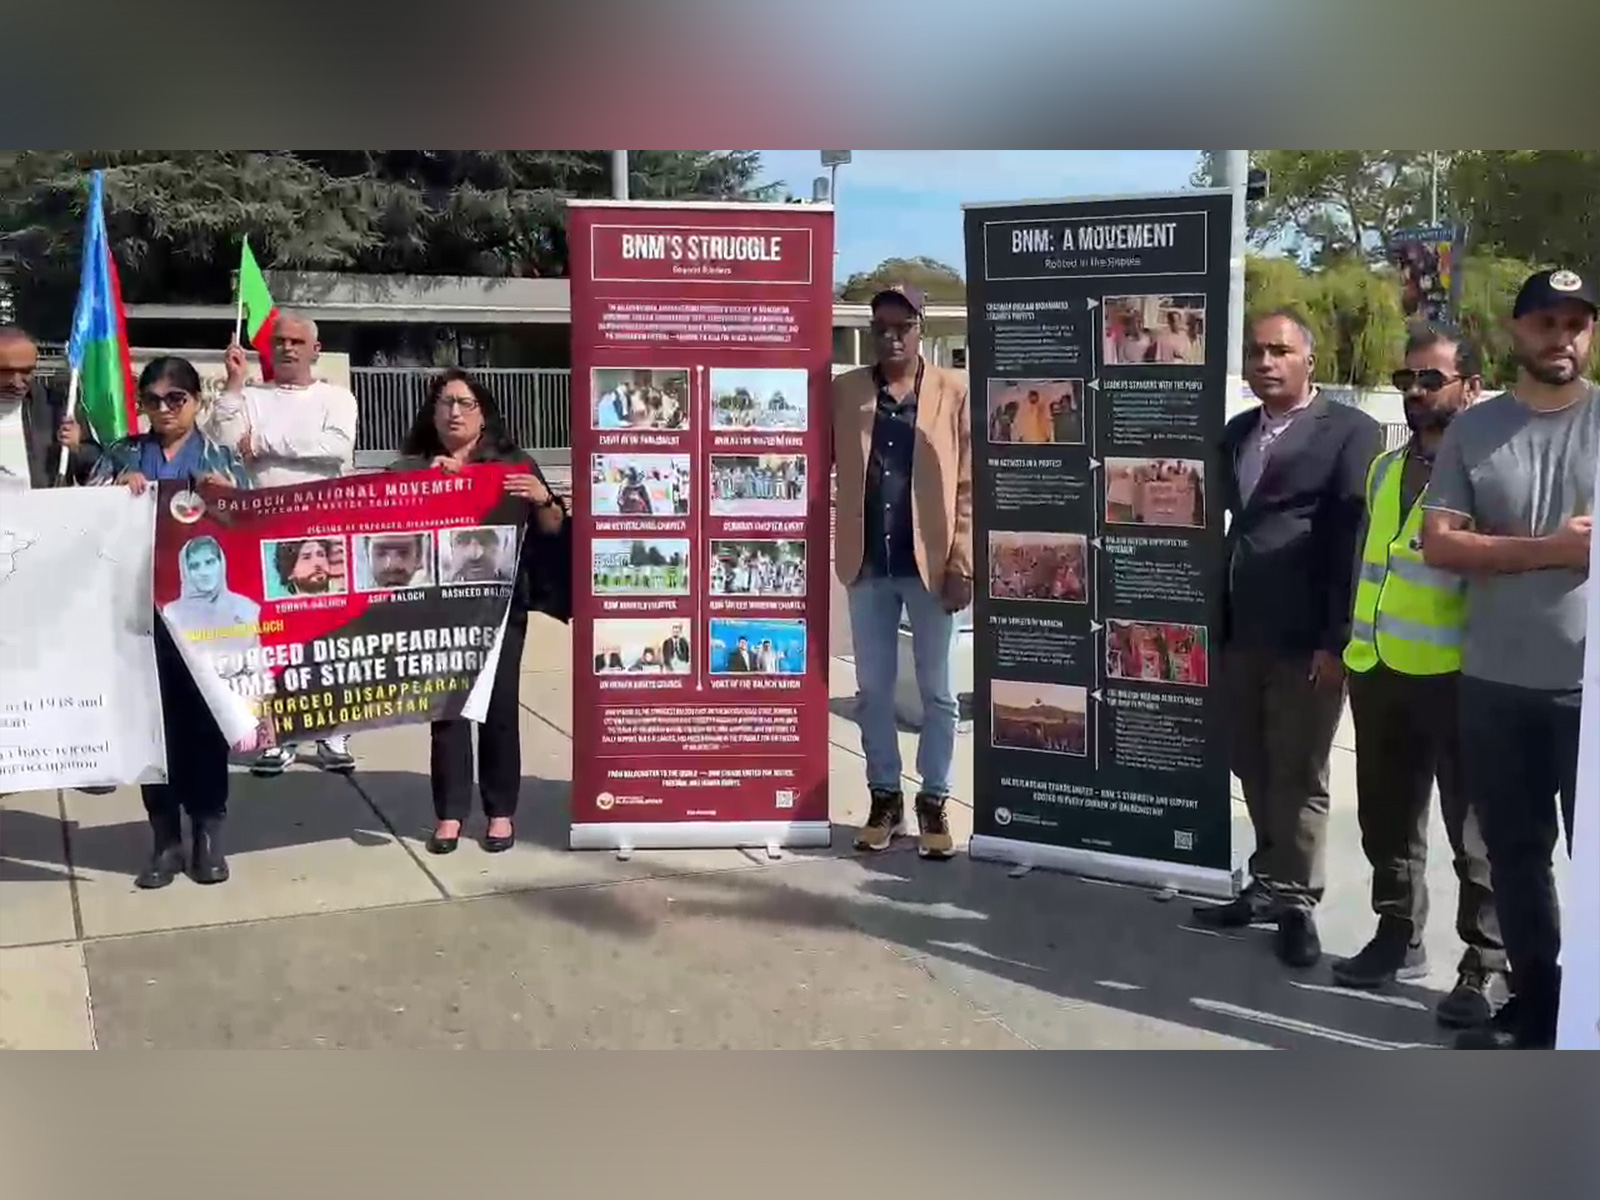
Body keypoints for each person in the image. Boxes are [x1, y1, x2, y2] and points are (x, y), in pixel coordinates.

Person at [1420, 268, 1597, 1050]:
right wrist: (1551, 551)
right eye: (1545, 322)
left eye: (1576, 322)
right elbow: (1441, 544)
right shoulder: (1475, 429)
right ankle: (1538, 1002)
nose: (1561, 337)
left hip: (1589, 688)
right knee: (1516, 859)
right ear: (1516, 332)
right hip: (1494, 683)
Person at [1197, 309, 1384, 968]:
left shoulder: (1351, 433)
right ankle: (1268, 880)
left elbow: (1351, 541)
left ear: (1309, 360)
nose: (1266, 362)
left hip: (1307, 638)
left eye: (1279, 351)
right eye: (1256, 352)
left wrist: (1335, 642)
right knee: (1250, 760)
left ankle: (1297, 903)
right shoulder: (1235, 434)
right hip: (1238, 630)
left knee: (1299, 771)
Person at [1334, 323, 1504, 1028]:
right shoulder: (1383, 468)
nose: (1413, 392)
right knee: (1387, 818)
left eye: (1429, 379)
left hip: (1461, 677)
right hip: (1379, 670)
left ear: (1471, 384)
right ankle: (1396, 932)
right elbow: (1369, 566)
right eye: (1406, 380)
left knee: (1475, 832)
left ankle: (1485, 963)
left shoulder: (1494, 470)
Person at [392, 368, 569, 855]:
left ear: (483, 413)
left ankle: (500, 812)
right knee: (447, 712)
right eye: (444, 403)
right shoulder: (412, 466)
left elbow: (554, 528)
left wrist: (544, 498)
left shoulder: (512, 463)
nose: (453, 412)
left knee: (498, 708)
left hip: (501, 607)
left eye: (464, 403)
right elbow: (383, 531)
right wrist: (418, 490)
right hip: (438, 610)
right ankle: (449, 814)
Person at [90, 356, 252, 888]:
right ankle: (165, 840)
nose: (163, 409)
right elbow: (82, 519)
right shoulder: (122, 453)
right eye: (152, 400)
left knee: (203, 726)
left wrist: (220, 495)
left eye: (174, 399)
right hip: (137, 612)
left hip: (202, 617)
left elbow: (251, 524)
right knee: (150, 728)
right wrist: (116, 486)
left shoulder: (219, 456)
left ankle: (208, 835)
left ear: (195, 402)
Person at [832, 283, 973, 862]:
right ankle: (884, 796)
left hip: (931, 567)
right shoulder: (844, 392)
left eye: (903, 326)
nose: (892, 336)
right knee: (873, 691)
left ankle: (934, 799)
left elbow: (969, 486)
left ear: (923, 329)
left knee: (938, 694)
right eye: (882, 326)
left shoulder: (952, 392)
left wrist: (961, 561)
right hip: (867, 564)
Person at [207, 311, 359, 775]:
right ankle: (274, 734)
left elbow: (335, 446)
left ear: (316, 349)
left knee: (328, 637)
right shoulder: (249, 396)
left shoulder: (337, 397)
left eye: (297, 341)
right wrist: (234, 384)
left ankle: (333, 735)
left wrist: (266, 441)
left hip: (325, 531)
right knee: (269, 640)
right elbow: (223, 440)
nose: (288, 348)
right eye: (280, 341)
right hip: (263, 535)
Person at [0, 325, 102, 487]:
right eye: (6, 371)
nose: (17, 382)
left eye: (26, 371)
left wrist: (77, 448)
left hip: (43, 508)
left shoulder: (58, 407)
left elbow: (97, 471)